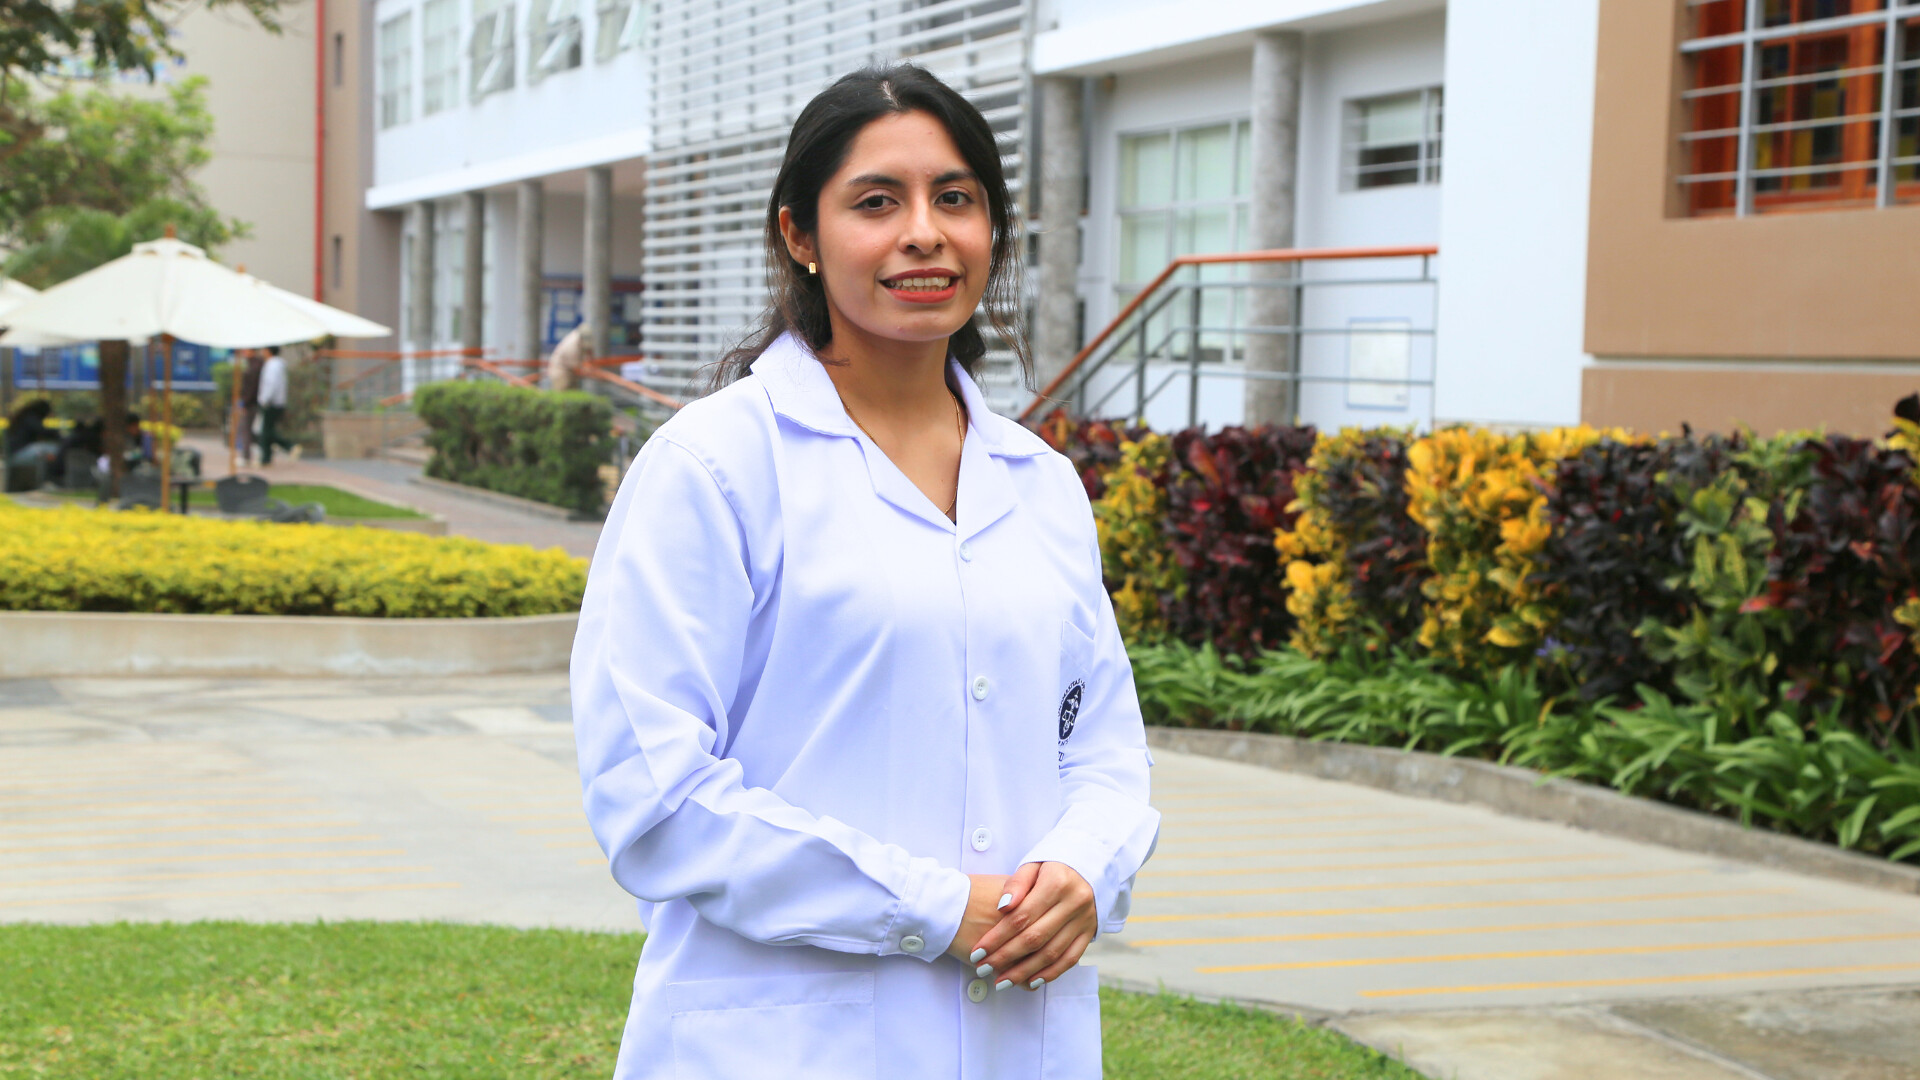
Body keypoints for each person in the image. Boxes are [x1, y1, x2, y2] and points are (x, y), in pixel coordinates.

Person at [571, 64, 1159, 1080]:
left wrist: (1084, 866)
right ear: (800, 235)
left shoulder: (1043, 485)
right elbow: (654, 795)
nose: (924, 233)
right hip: (783, 1044)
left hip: (1018, 1035)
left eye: (955, 199)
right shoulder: (716, 466)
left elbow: (1100, 743)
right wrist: (935, 908)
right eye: (877, 202)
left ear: (993, 230)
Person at [255, 345, 300, 464]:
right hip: (277, 401)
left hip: (271, 402)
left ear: (268, 351)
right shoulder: (277, 364)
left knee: (266, 431)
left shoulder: (273, 365)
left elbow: (271, 384)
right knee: (267, 430)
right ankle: (267, 457)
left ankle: (288, 446)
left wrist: (264, 399)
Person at [236, 348, 265, 465]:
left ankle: (246, 456)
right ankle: (250, 453)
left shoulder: (254, 366)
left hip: (251, 403)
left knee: (246, 429)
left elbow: (251, 388)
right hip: (251, 402)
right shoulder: (252, 364)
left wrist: (245, 403)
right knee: (248, 429)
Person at [545, 323, 591, 391]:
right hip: (560, 373)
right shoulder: (572, 346)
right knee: (560, 394)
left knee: (573, 393)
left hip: (570, 372)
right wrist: (594, 372)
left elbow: (588, 351)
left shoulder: (580, 338)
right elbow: (576, 369)